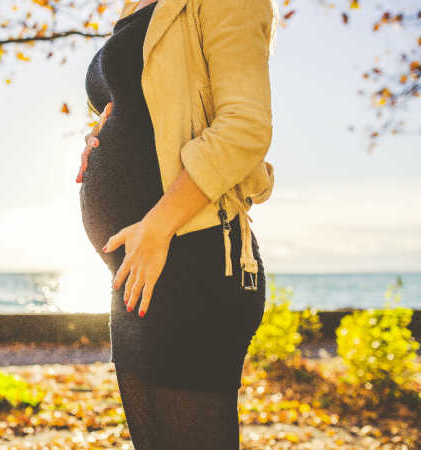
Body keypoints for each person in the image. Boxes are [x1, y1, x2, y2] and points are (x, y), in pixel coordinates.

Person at [77, 0, 278, 448]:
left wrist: (157, 227)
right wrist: (98, 140)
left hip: (193, 256)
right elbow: (149, 111)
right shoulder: (134, 7)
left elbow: (244, 127)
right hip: (134, 270)